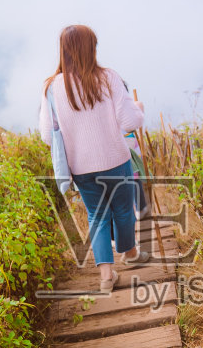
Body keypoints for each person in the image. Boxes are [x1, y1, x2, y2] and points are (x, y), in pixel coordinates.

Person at [38, 25, 145, 292]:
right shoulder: (108, 77)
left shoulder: (51, 88)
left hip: (81, 168)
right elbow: (129, 120)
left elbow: (48, 136)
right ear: (91, 48)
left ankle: (106, 277)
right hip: (115, 160)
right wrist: (139, 110)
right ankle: (130, 255)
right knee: (122, 210)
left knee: (97, 216)